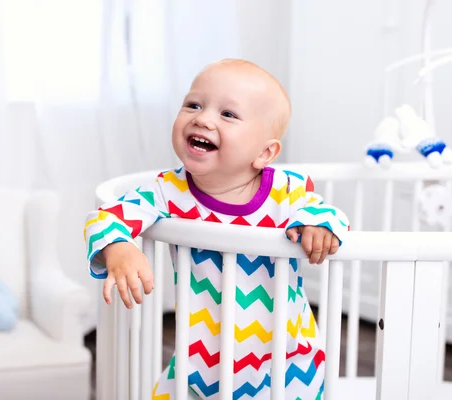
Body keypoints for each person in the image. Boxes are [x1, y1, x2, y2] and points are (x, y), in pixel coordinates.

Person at [84, 58, 349, 399]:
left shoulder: (287, 191)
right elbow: (105, 217)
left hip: (287, 367)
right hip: (199, 364)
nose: (202, 118)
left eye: (228, 114)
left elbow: (327, 213)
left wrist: (319, 226)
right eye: (193, 105)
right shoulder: (168, 191)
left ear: (264, 152)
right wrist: (119, 247)